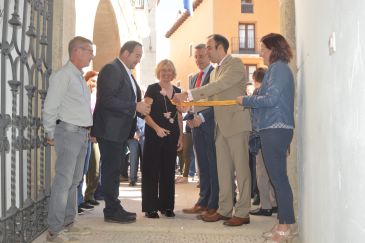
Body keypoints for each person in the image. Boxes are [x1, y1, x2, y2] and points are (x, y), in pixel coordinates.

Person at [174, 34, 252, 226]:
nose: (206, 52)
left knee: (241, 171)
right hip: (220, 127)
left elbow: (219, 86)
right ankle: (224, 210)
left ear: (220, 48)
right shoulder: (216, 70)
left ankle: (242, 212)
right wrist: (189, 106)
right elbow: (210, 98)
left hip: (236, 125)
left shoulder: (235, 64)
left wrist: (189, 93)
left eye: (209, 48)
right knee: (223, 171)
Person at [237, 33, 296, 242]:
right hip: (272, 127)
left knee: (278, 178)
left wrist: (247, 100)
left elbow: (270, 99)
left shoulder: (279, 69)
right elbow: (268, 96)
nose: (260, 52)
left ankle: (285, 225)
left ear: (273, 49)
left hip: (276, 127)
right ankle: (285, 222)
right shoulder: (275, 70)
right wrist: (252, 98)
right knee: (277, 178)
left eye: (263, 48)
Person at [91, 41, 151, 224]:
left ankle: (114, 206)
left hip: (119, 132)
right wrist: (135, 106)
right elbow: (107, 101)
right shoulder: (112, 69)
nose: (139, 60)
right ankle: (111, 210)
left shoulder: (125, 72)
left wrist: (141, 106)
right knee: (110, 171)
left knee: (114, 170)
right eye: (137, 55)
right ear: (125, 53)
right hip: (110, 131)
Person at [43, 36, 94, 242]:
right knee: (63, 182)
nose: (92, 55)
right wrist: (49, 133)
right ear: (77, 51)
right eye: (89, 51)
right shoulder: (63, 75)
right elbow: (50, 105)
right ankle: (55, 230)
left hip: (82, 134)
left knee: (74, 181)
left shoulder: (78, 77)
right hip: (68, 133)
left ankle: (68, 222)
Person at [141, 59, 183, 219]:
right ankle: (150, 207)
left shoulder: (178, 91)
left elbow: (179, 114)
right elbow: (145, 113)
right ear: (158, 72)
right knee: (151, 170)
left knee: (168, 170)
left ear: (173, 73)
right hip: (154, 134)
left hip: (171, 136)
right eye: (163, 70)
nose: (166, 73)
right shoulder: (152, 89)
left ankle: (167, 206)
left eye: (169, 70)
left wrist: (181, 136)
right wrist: (157, 128)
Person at [181, 43, 219, 220]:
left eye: (201, 56)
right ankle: (202, 201)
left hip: (210, 126)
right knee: (202, 165)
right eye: (196, 57)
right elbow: (193, 105)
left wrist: (202, 118)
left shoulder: (216, 75)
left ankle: (214, 204)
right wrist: (189, 116)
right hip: (195, 127)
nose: (198, 60)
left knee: (213, 165)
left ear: (209, 56)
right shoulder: (194, 77)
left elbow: (217, 104)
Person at [247, 68, 278, 217]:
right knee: (273, 172)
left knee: (261, 173)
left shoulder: (256, 93)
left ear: (255, 78)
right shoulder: (272, 92)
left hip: (260, 136)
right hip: (274, 135)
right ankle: (274, 203)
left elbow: (254, 117)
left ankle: (265, 206)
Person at [83, 71, 102, 208]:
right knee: (82, 168)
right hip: (84, 133)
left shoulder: (98, 97)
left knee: (94, 167)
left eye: (97, 81)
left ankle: (90, 195)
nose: (94, 84)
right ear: (87, 80)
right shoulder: (83, 95)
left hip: (95, 135)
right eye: (93, 80)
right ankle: (81, 199)